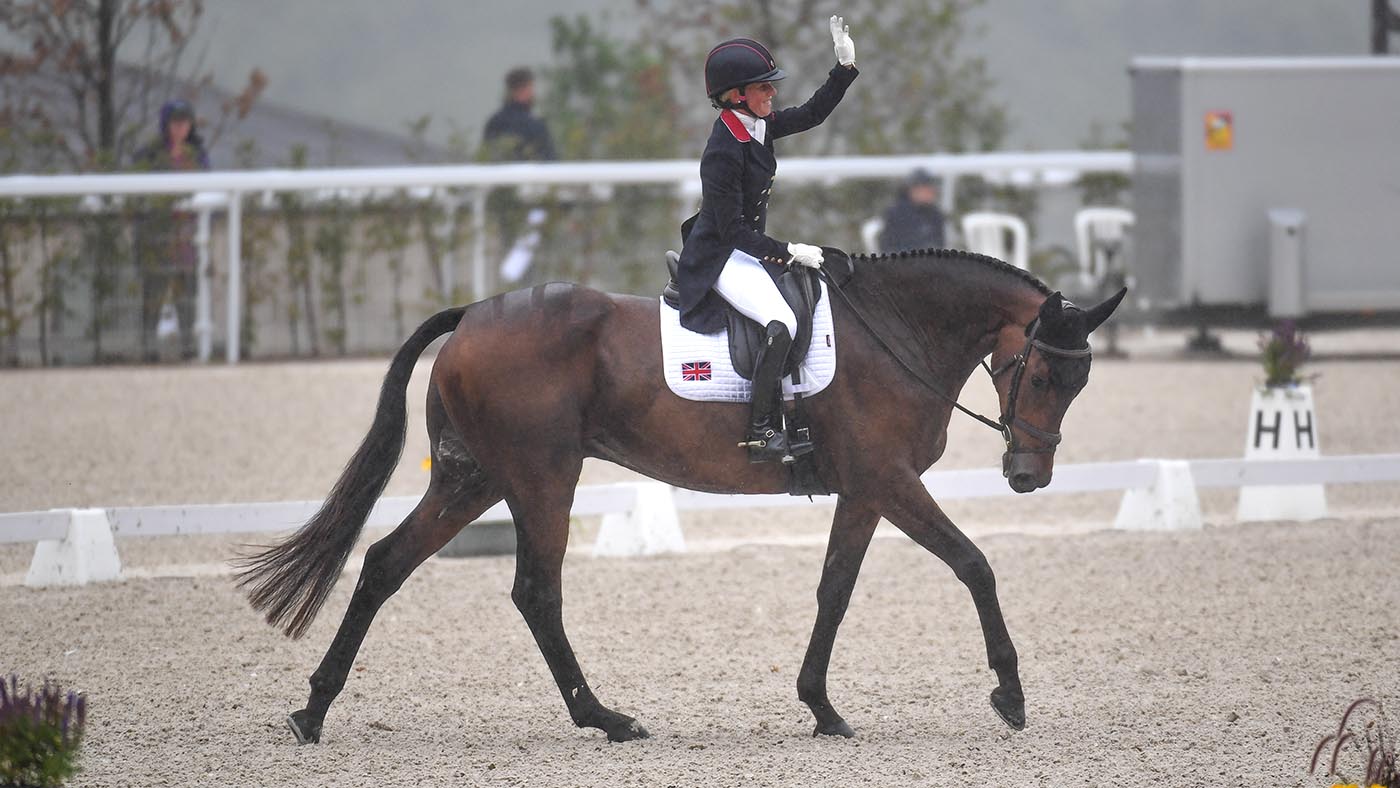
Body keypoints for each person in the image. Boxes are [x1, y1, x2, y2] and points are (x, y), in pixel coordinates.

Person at [677, 16, 859, 463]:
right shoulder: (723, 148)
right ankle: (761, 430)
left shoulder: (756, 126)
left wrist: (844, 70)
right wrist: (787, 252)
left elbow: (812, 114)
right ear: (737, 95)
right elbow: (729, 230)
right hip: (720, 256)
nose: (772, 94)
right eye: (764, 88)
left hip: (744, 248)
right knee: (783, 323)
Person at [133, 98, 210, 361]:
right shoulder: (151, 154)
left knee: (186, 292)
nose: (180, 128)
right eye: (176, 123)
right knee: (154, 290)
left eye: (185, 123)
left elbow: (207, 186)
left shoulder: (196, 154)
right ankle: (148, 348)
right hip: (157, 235)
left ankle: (188, 346)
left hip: (186, 236)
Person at [481, 67, 558, 284]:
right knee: (528, 259)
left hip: (503, 202)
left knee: (510, 251)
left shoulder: (494, 123)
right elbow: (551, 164)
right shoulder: (534, 125)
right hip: (534, 204)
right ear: (525, 89)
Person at [878, 168, 946, 253]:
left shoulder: (935, 215)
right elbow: (888, 246)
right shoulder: (896, 214)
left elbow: (939, 245)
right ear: (913, 190)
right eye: (926, 189)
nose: (931, 193)